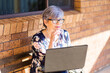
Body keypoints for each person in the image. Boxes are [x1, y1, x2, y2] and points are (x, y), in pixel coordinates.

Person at [30, 5, 71, 73]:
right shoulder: (37, 39)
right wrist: (52, 40)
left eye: (60, 20)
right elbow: (47, 63)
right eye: (54, 20)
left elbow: (69, 54)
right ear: (45, 21)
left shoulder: (65, 34)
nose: (58, 23)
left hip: (60, 69)